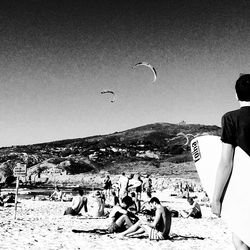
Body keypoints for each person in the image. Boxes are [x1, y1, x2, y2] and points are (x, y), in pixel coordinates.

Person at [211, 74, 250, 250]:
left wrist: (216, 199)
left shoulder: (230, 118)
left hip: (245, 189)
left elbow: (226, 163)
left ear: (236, 95)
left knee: (241, 240)